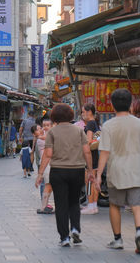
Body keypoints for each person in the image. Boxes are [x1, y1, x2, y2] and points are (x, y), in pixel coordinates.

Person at [95, 89, 140, 254]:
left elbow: (104, 152)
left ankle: (118, 239)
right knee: (137, 205)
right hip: (137, 170)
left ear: (113, 105)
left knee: (114, 205)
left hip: (116, 171)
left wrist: (99, 175)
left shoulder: (108, 126)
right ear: (130, 104)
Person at [36, 104, 94, 247]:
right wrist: (91, 170)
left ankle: (64, 237)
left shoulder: (52, 132)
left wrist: (40, 173)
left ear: (54, 116)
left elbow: (48, 154)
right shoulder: (79, 131)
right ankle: (75, 228)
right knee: (74, 201)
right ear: (70, 115)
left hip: (58, 171)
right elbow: (87, 151)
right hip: (77, 170)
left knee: (61, 204)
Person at [80, 103, 100, 215]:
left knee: (89, 181)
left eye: (83, 112)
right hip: (95, 156)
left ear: (89, 112)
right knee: (94, 181)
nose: (82, 114)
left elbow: (88, 141)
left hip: (89, 157)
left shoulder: (90, 124)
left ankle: (90, 205)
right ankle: (93, 205)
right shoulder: (95, 123)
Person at [35, 118, 54, 214]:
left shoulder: (50, 135)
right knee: (48, 184)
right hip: (46, 164)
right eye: (44, 125)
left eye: (48, 125)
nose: (45, 127)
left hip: (52, 163)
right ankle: (43, 206)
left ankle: (45, 206)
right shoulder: (43, 137)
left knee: (49, 185)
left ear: (52, 126)